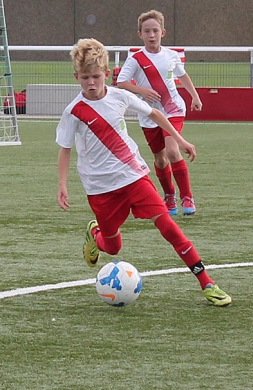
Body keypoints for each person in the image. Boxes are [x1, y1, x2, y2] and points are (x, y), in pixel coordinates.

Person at [56, 38, 231, 307]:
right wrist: (63, 185)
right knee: (113, 248)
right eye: (85, 78)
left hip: (134, 176)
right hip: (100, 188)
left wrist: (180, 140)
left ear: (106, 74)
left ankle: (207, 283)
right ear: (76, 77)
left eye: (96, 77)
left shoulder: (120, 96)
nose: (91, 83)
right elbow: (65, 148)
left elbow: (158, 115)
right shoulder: (73, 112)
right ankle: (96, 235)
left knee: (169, 227)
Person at [115, 10, 203, 216]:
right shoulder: (135, 59)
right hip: (149, 115)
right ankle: (169, 195)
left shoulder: (171, 56)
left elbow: (183, 76)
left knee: (172, 151)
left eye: (155, 30)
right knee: (160, 159)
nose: (151, 35)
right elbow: (121, 82)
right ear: (140, 35)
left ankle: (187, 197)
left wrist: (195, 97)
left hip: (173, 110)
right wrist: (142, 91)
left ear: (163, 32)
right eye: (147, 31)